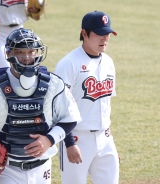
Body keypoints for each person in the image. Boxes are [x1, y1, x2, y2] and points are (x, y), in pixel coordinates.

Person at [0, 28, 81, 184]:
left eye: (31, 52)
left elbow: (70, 118)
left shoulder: (54, 84)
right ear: (8, 54)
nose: (26, 57)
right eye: (20, 52)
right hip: (6, 169)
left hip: (42, 168)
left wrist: (49, 140)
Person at [55, 10, 119, 184]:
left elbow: (104, 105)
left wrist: (108, 141)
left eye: (107, 34)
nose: (104, 39)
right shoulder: (69, 64)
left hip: (104, 138)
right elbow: (58, 107)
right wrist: (69, 143)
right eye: (99, 33)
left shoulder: (108, 62)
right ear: (84, 33)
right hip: (76, 138)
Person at [0, 0, 43, 71]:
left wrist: (35, 11)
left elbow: (33, 9)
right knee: (4, 70)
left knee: (22, 69)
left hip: (19, 30)